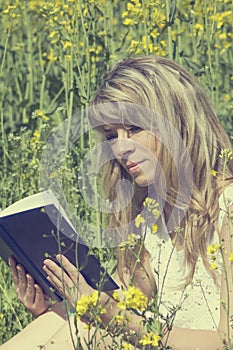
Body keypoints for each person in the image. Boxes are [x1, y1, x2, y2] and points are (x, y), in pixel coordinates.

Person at [1, 56, 233, 350]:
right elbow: (130, 306)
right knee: (70, 323)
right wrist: (52, 306)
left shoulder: (228, 208)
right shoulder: (149, 212)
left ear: (178, 122)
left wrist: (108, 316)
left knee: (88, 330)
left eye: (134, 128)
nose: (121, 147)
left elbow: (228, 341)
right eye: (111, 136)